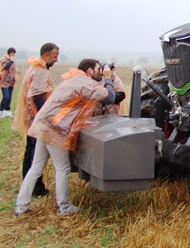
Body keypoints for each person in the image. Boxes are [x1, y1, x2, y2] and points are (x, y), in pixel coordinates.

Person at [15, 58, 116, 216]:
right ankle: (65, 206)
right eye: (98, 69)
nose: (100, 72)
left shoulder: (74, 79)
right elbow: (109, 97)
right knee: (63, 168)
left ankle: (21, 206)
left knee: (36, 167)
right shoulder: (84, 83)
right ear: (89, 70)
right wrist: (109, 77)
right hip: (54, 128)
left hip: (44, 124)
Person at [12, 42, 60, 197]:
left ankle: (30, 185)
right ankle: (35, 188)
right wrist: (44, 119)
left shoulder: (33, 66)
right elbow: (37, 97)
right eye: (55, 56)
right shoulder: (40, 70)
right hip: (37, 120)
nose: (56, 60)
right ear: (45, 55)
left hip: (33, 119)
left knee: (30, 153)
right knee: (34, 156)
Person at [0, 47, 17, 118]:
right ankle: (1, 110)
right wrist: (11, 61)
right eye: (12, 53)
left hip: (11, 82)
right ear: (9, 53)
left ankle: (7, 111)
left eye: (14, 54)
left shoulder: (12, 61)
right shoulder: (4, 59)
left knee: (9, 97)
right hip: (4, 81)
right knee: (6, 97)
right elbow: (5, 68)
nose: (13, 55)